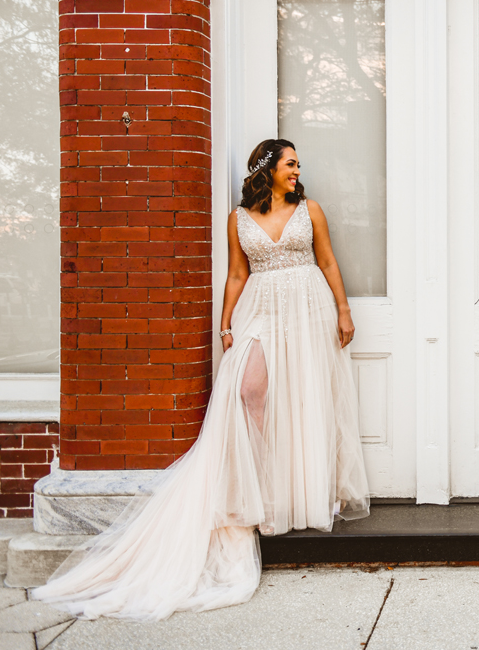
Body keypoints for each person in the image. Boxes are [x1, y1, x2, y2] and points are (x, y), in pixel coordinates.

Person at [35, 139, 370, 620]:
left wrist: (343, 309)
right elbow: (237, 273)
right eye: (291, 163)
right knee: (250, 390)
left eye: (298, 164)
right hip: (262, 310)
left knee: (306, 398)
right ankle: (259, 494)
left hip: (308, 306)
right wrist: (226, 322)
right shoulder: (238, 220)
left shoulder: (309, 209)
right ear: (267, 169)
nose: (298, 170)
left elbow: (329, 262)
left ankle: (305, 497)